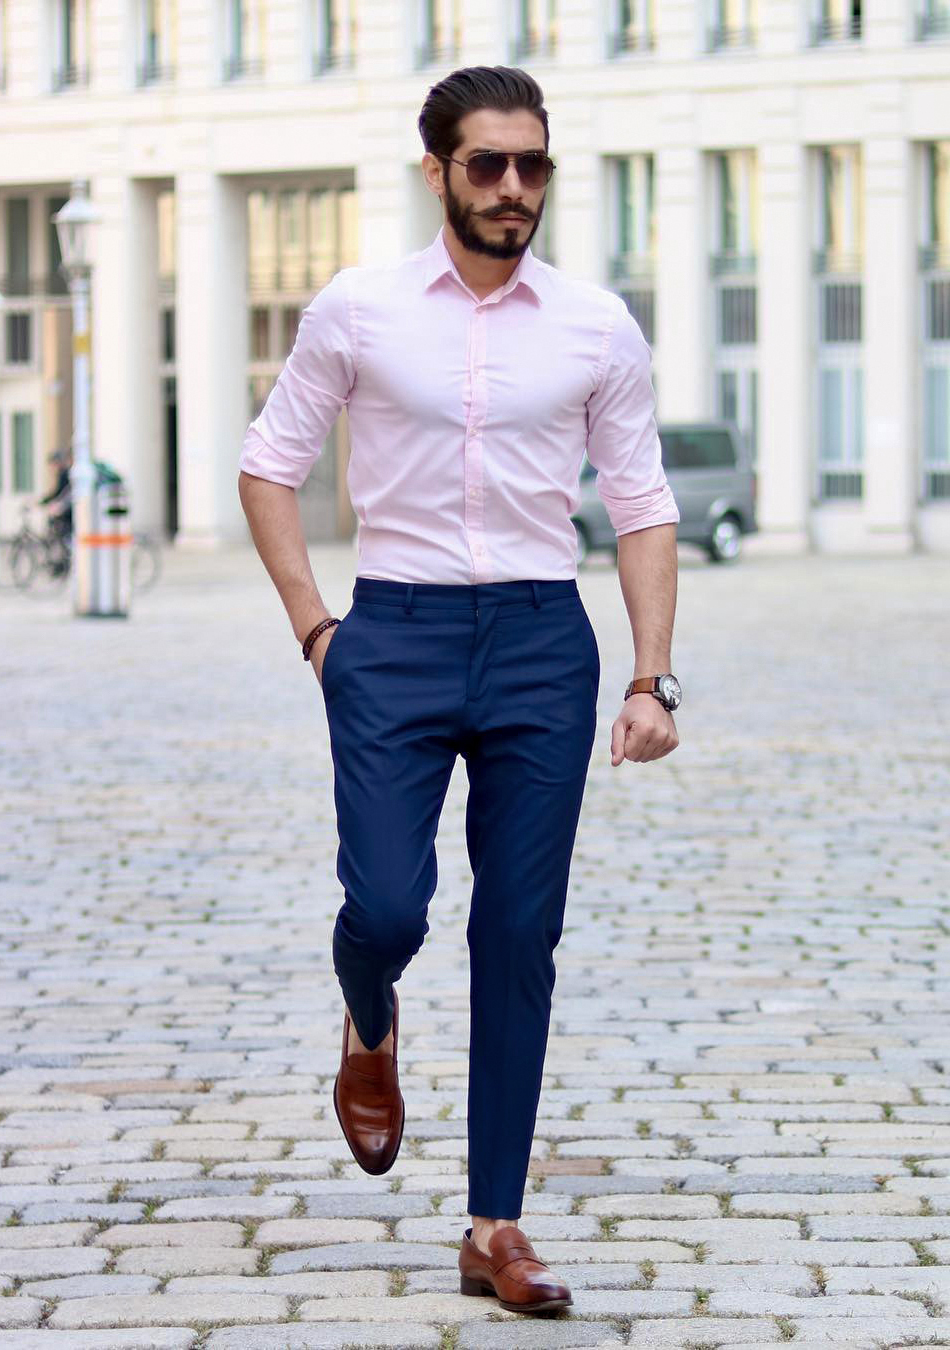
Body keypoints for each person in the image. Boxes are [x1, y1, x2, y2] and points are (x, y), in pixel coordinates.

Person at [238, 65, 682, 1315]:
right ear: (435, 171)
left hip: (545, 638)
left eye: (531, 165)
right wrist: (318, 631)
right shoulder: (358, 310)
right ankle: (368, 1020)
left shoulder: (594, 324)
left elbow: (641, 504)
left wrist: (650, 676)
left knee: (519, 935)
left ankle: (495, 1224)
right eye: (486, 165)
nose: (511, 188)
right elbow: (268, 467)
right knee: (385, 905)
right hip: (395, 635)